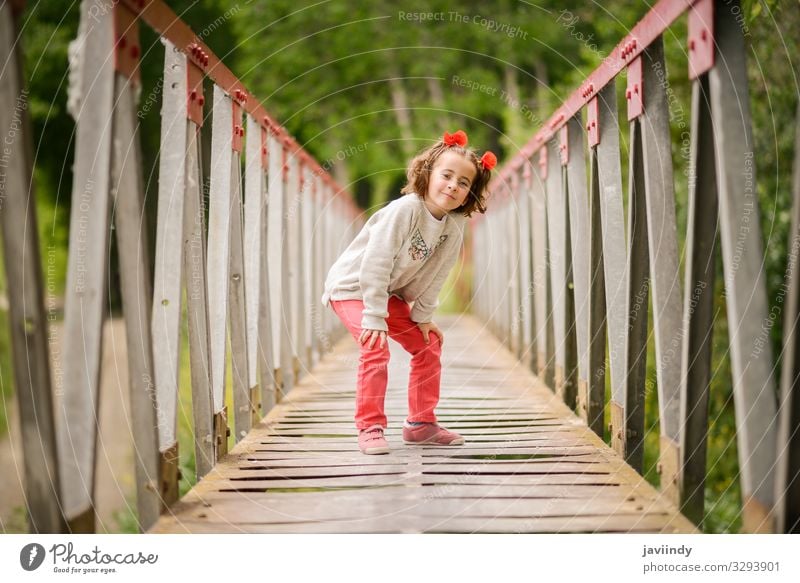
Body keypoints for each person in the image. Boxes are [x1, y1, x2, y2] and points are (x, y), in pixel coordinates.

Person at [321, 130, 497, 454]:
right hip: (352, 287)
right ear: (428, 174)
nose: (453, 186)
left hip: (387, 294)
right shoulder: (406, 210)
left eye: (463, 182)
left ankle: (420, 424)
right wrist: (375, 315)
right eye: (446, 176)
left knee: (429, 345)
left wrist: (423, 317)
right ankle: (370, 427)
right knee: (375, 345)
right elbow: (376, 262)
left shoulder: (454, 226)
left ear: (470, 193)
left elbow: (438, 274)